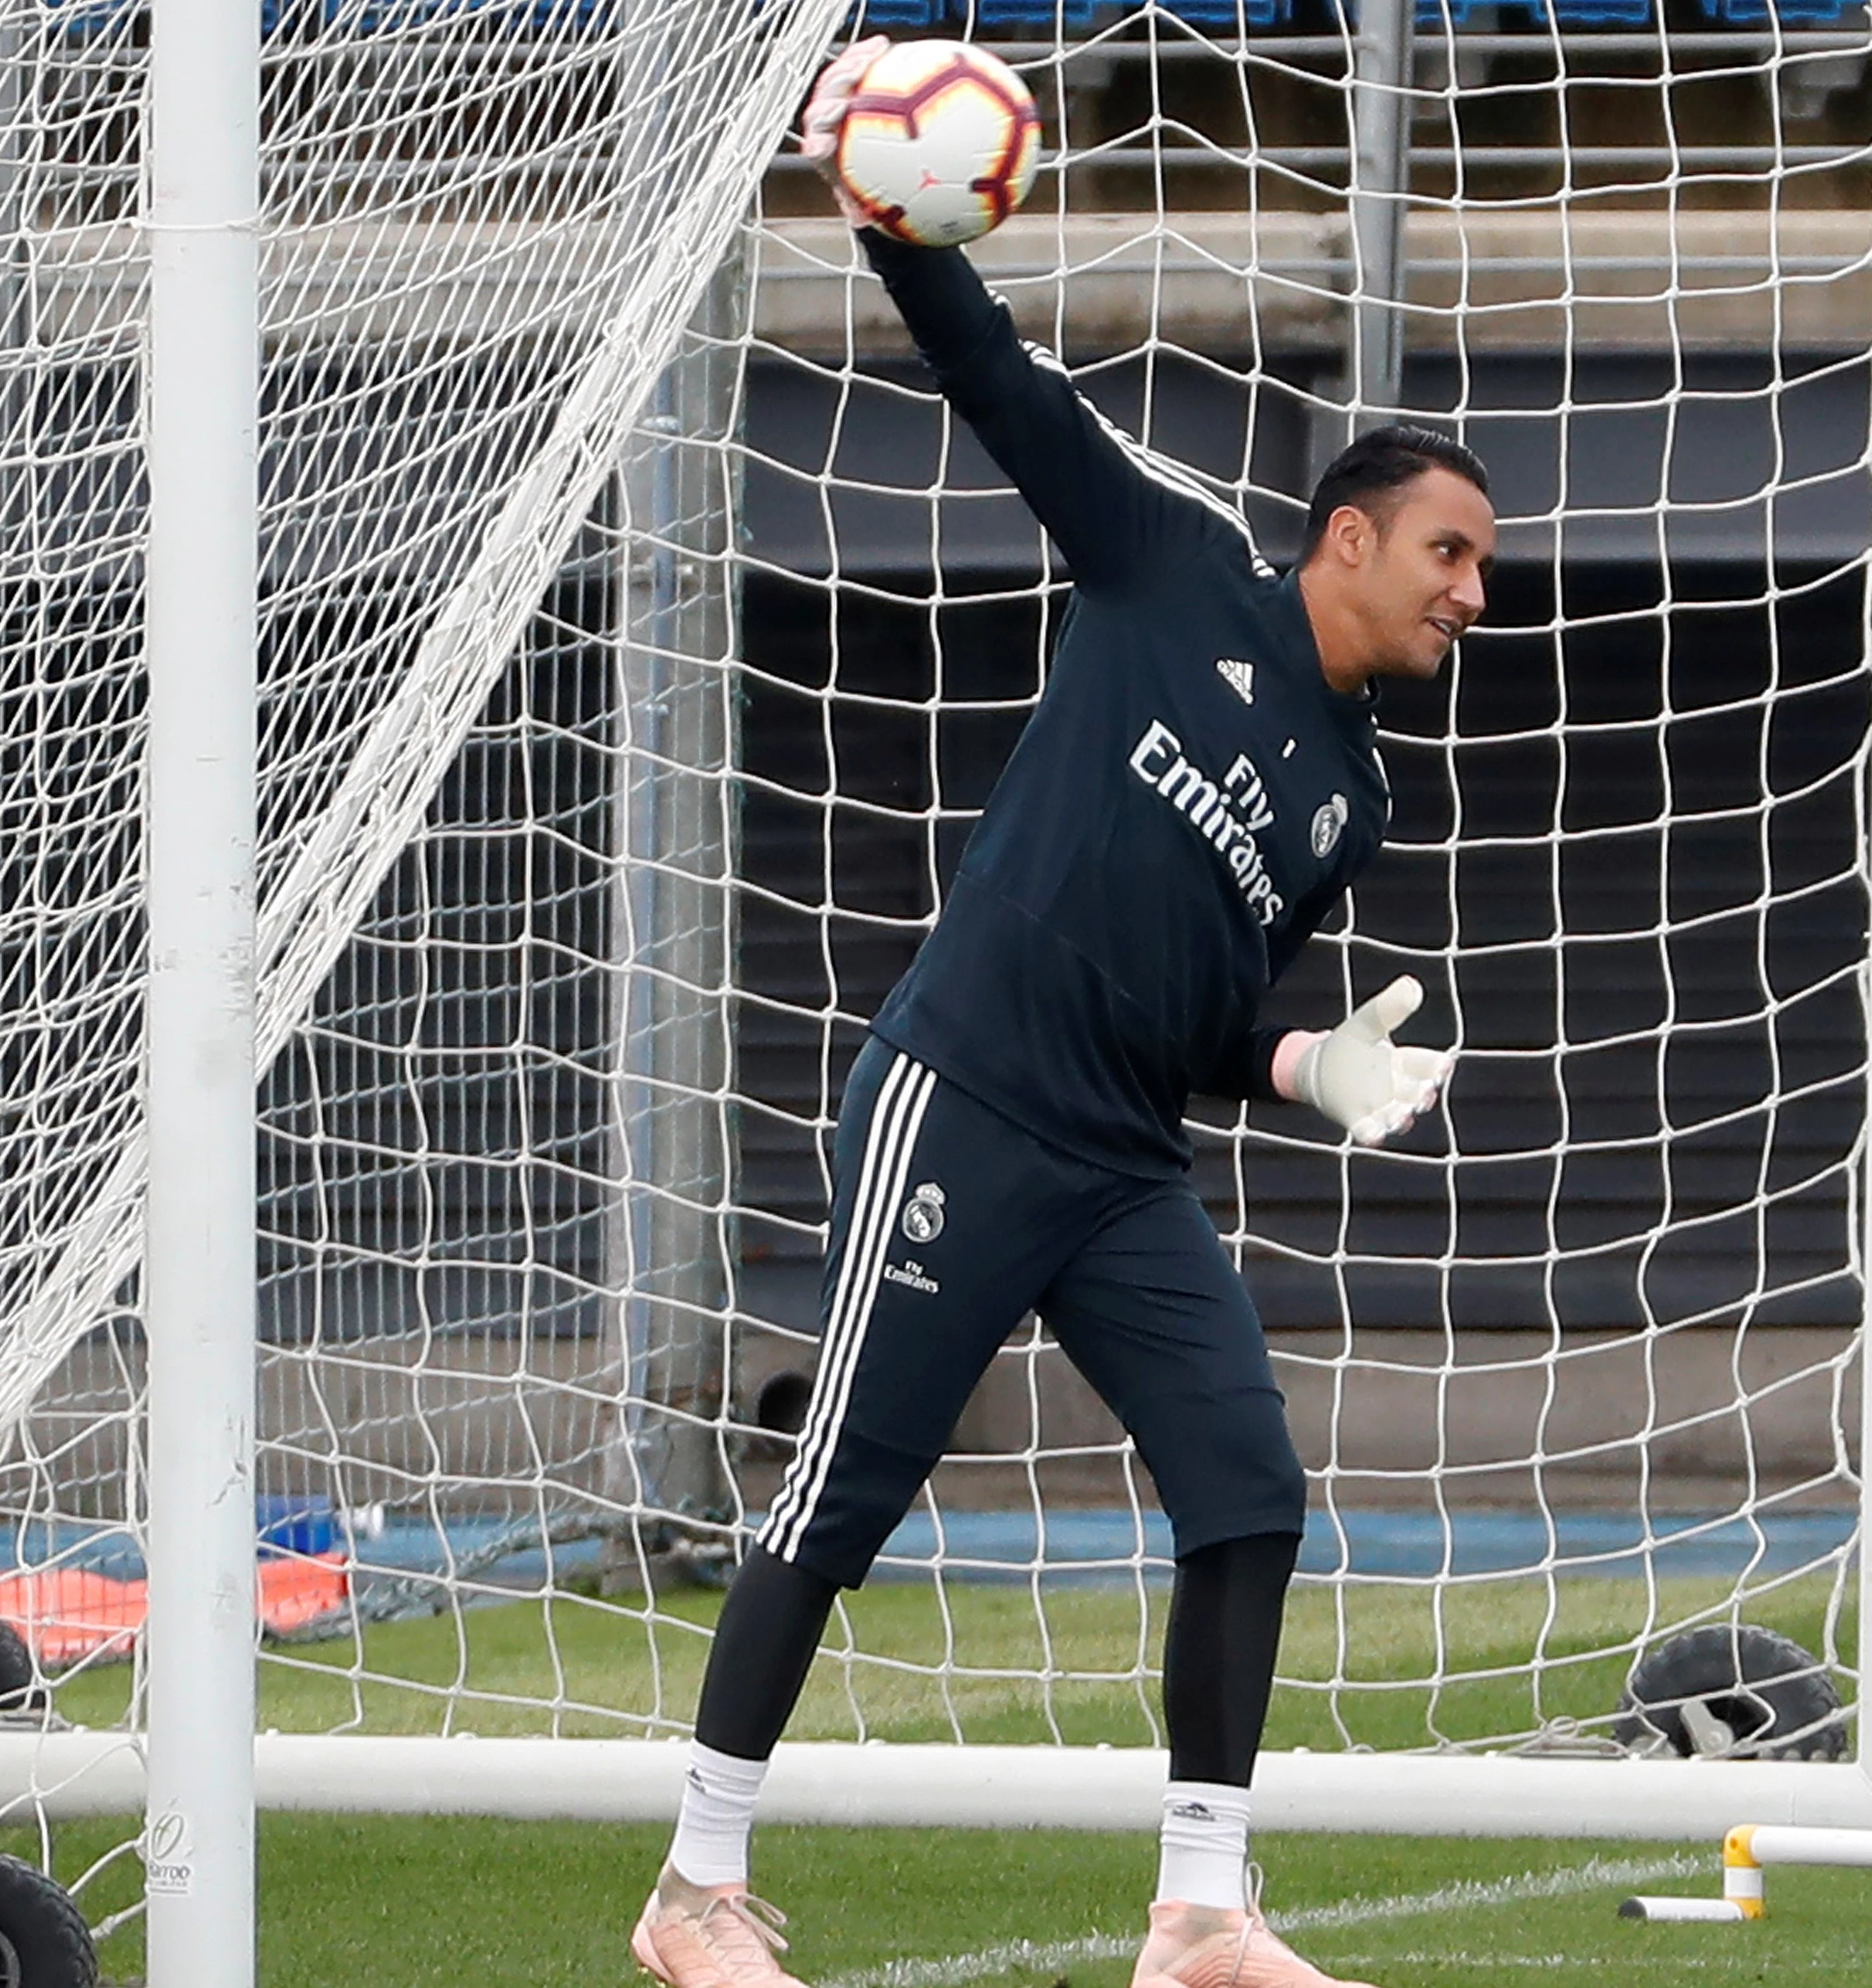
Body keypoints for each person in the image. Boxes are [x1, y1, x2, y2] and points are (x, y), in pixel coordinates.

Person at [628, 38, 1499, 1988]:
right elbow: (999, 378)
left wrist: (1297, 1054)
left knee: (1250, 1491)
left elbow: (1190, 1009)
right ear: (1344, 538)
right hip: (965, 1101)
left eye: (1485, 570)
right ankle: (691, 1894)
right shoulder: (1169, 561)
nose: (1471, 594)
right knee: (849, 1479)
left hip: (1118, 1164)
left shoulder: (1363, 796)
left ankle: (1199, 1912)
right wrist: (889, 207)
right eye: (1451, 553)